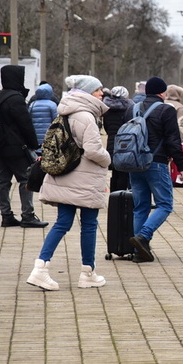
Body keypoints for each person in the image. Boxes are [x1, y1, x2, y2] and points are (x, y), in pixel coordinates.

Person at [26, 75, 112, 291]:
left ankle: (40, 269)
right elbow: (93, 150)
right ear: (87, 93)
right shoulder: (86, 116)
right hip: (85, 179)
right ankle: (88, 273)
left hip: (66, 176)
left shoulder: (66, 111)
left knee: (63, 223)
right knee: (89, 225)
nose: (102, 93)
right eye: (98, 90)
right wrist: (108, 158)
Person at [127, 76, 183, 262]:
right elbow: (173, 140)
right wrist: (182, 166)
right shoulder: (166, 110)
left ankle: (140, 252)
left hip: (134, 163)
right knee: (165, 204)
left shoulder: (132, 108)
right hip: (156, 162)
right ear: (162, 93)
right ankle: (143, 236)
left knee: (140, 207)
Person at [0, 65, 48, 229]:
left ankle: (6, 215)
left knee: (3, 181)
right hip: (16, 147)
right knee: (26, 179)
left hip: (1, 146)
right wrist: (34, 144)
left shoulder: (0, 97)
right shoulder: (15, 99)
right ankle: (27, 215)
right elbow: (26, 125)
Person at [102, 86, 133, 192]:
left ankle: (113, 199)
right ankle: (122, 199)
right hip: (125, 144)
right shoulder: (129, 109)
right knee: (124, 173)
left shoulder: (107, 110)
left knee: (115, 173)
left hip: (111, 143)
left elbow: (106, 128)